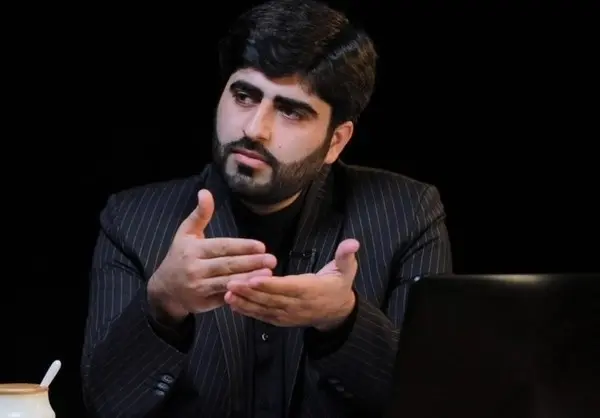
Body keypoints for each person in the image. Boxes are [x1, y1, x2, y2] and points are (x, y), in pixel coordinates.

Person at [81, 0, 453, 417]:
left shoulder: (408, 215)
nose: (254, 128)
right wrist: (162, 305)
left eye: (291, 111)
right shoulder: (131, 220)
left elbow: (434, 401)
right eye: (244, 95)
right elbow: (105, 404)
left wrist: (343, 321)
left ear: (336, 141)